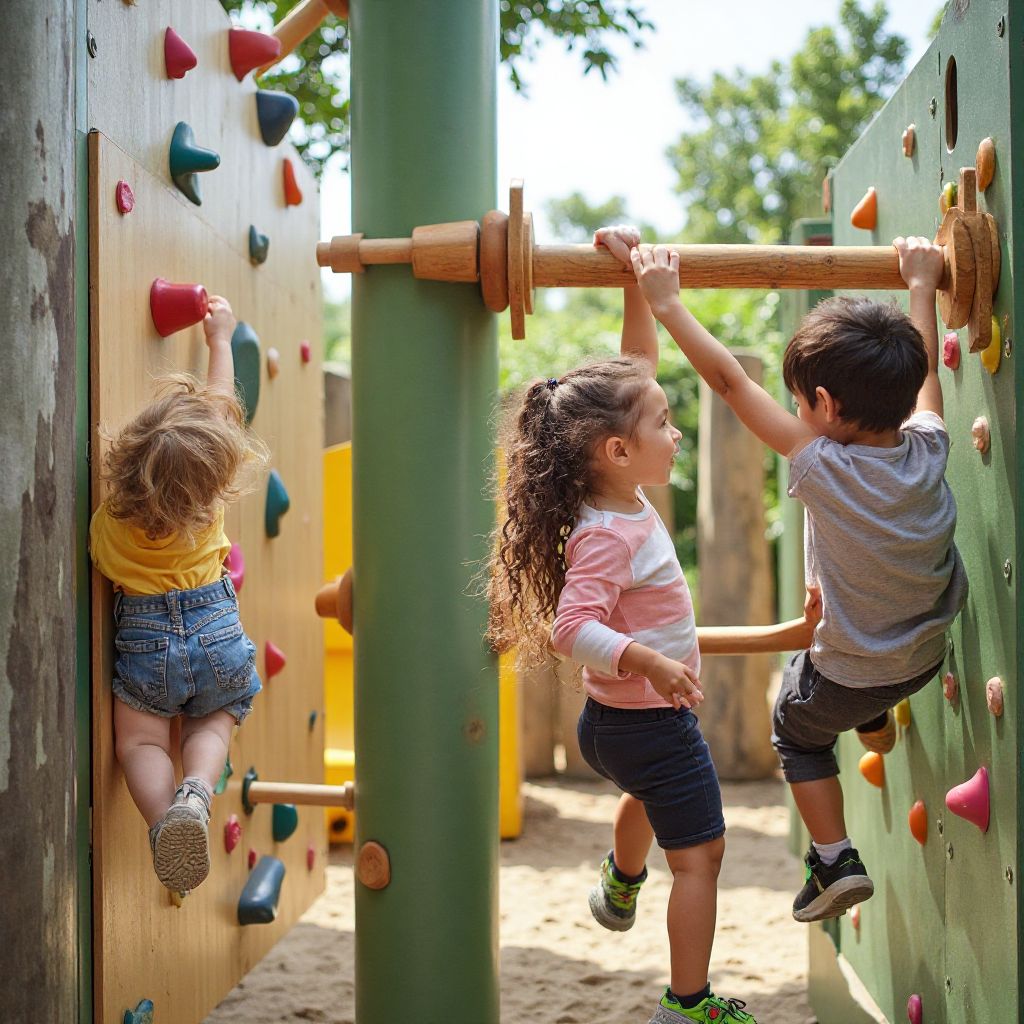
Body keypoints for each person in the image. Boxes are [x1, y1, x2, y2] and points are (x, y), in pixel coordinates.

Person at [630, 236, 966, 924]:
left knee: (795, 726)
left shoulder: (822, 465)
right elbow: (928, 378)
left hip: (854, 669)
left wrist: (667, 305)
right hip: (924, 655)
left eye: (798, 403)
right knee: (850, 671)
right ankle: (870, 718)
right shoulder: (929, 447)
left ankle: (835, 857)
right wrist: (922, 288)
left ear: (822, 404)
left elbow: (729, 382)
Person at [488, 226, 758, 1024]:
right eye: (667, 424)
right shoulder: (610, 532)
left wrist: (634, 281)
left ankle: (621, 879)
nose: (676, 432)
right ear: (616, 449)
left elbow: (632, 368)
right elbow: (571, 625)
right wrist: (646, 658)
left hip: (616, 727)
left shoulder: (607, 495)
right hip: (647, 720)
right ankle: (688, 1002)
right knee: (704, 856)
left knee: (649, 795)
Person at [90, 296, 268, 894]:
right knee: (214, 721)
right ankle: (196, 793)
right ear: (214, 480)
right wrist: (219, 341)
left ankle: (164, 817)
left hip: (145, 641)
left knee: (139, 741)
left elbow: (102, 565)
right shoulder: (207, 512)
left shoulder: (107, 528)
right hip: (216, 625)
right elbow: (218, 411)